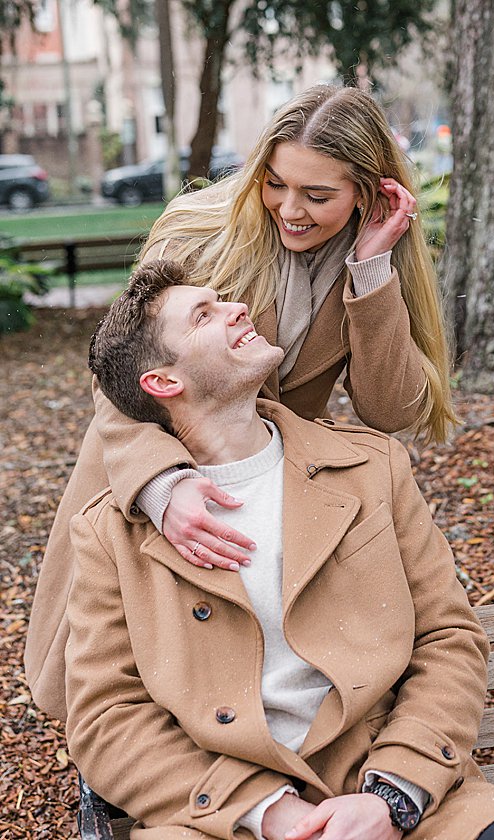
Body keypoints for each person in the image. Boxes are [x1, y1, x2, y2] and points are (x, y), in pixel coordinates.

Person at [66, 260, 494, 840]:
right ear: (165, 383)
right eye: (203, 315)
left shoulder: (370, 468)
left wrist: (394, 794)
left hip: (394, 786)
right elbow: (105, 717)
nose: (236, 308)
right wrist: (269, 812)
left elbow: (448, 638)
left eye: (222, 299)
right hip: (223, 813)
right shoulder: (111, 535)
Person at [26, 84, 458, 724]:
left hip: (267, 473)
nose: (291, 209)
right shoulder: (199, 231)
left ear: (367, 193)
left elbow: (390, 409)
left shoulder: (376, 262)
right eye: (277, 183)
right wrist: (161, 486)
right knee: (123, 654)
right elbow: (120, 366)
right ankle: (112, 763)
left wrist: (370, 271)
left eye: (318, 196)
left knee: (248, 647)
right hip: (154, 452)